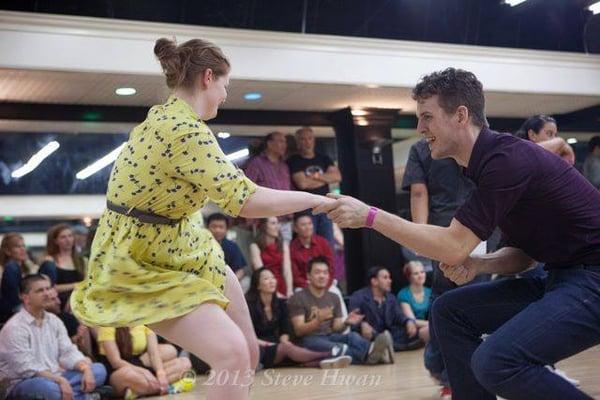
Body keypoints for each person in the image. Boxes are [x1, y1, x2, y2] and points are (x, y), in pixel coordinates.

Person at [71, 37, 333, 400]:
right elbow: (245, 200)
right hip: (142, 258)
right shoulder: (183, 129)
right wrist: (315, 200)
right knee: (233, 354)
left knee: (248, 351)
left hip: (183, 245)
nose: (226, 95)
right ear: (209, 77)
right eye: (226, 85)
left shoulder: (165, 116)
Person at [315, 67, 600, 400]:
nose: (420, 128)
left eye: (427, 118)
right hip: (561, 277)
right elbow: (522, 257)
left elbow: (452, 247)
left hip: (592, 280)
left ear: (461, 115)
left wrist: (370, 216)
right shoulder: (488, 165)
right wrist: (479, 265)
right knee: (449, 310)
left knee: (497, 361)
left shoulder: (505, 161)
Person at [0, 274, 107, 400]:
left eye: (48, 288)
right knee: (46, 388)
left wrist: (86, 369)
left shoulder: (54, 320)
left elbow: (68, 352)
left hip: (56, 377)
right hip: (23, 383)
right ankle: (85, 397)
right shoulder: (14, 327)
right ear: (25, 298)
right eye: (40, 290)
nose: (47, 293)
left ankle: (73, 395)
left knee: (99, 370)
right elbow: (27, 369)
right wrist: (60, 381)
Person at [288, 257, 393, 365]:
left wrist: (346, 322)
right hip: (308, 340)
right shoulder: (298, 297)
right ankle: (376, 356)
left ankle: (372, 353)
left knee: (353, 337)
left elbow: (336, 328)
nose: (322, 276)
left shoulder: (334, 297)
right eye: (317, 272)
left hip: (329, 336)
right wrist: (318, 320)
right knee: (339, 348)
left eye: (325, 273)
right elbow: (299, 331)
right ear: (308, 276)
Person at [246, 268, 351, 369]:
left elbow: (285, 329)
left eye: (273, 278)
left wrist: (284, 341)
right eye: (266, 279)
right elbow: (247, 335)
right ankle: (329, 354)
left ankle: (321, 362)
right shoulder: (249, 306)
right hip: (259, 346)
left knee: (290, 347)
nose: (271, 281)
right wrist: (269, 344)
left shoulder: (280, 303)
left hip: (278, 346)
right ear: (258, 285)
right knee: (287, 349)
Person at [96, 325, 192, 398]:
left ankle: (141, 390)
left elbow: (153, 353)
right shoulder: (107, 326)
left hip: (142, 366)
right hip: (120, 371)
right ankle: (170, 388)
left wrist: (160, 373)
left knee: (185, 362)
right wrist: (144, 372)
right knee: (128, 374)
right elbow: (116, 362)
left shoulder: (143, 324)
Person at [287, 127, 341, 246]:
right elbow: (303, 184)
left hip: (326, 206)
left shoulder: (324, 158)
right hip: (306, 208)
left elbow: (337, 177)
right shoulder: (294, 160)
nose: (307, 142)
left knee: (328, 243)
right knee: (310, 244)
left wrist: (314, 176)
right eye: (303, 139)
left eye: (310, 138)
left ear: (314, 140)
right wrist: (325, 178)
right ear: (298, 142)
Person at [349, 266, 422, 351]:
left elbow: (399, 315)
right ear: (374, 281)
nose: (389, 281)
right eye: (385, 278)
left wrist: (408, 321)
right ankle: (384, 347)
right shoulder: (358, 297)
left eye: (389, 278)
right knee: (356, 338)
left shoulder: (391, 298)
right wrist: (362, 324)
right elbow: (353, 319)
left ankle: (388, 346)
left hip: (389, 334)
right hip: (369, 336)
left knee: (413, 333)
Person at [244, 131, 294, 242]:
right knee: (265, 255)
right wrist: (250, 219)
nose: (284, 145)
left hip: (285, 218)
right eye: (281, 141)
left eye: (285, 142)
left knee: (285, 254)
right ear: (269, 144)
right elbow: (246, 190)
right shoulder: (256, 163)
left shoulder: (284, 165)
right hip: (264, 221)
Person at [40, 223, 87, 310]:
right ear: (56, 241)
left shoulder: (82, 261)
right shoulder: (49, 261)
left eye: (70, 236)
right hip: (57, 304)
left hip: (79, 303)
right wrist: (76, 285)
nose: (68, 240)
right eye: (63, 237)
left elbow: (87, 284)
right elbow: (49, 288)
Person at [249, 217, 293, 298]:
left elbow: (287, 270)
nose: (277, 226)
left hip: (280, 283)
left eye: (277, 223)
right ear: (264, 226)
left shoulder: (283, 245)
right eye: (273, 223)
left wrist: (289, 290)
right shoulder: (255, 246)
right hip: (264, 285)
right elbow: (261, 273)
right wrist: (276, 294)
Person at [45, 286, 94, 358]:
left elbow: (84, 353)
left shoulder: (67, 319)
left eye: (57, 298)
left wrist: (79, 340)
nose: (59, 302)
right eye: (53, 300)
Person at [289, 212, 334, 290]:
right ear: (295, 228)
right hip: (303, 287)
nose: (308, 227)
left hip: (325, 283)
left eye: (310, 224)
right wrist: (311, 287)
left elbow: (331, 267)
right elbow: (295, 275)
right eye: (303, 225)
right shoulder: (292, 248)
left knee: (336, 295)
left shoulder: (322, 242)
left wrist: (325, 285)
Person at [0, 233, 38, 323]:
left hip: (28, 302)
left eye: (23, 246)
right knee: (12, 266)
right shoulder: (7, 268)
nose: (22, 249)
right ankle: (21, 309)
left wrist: (28, 263)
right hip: (10, 307)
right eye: (17, 247)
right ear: (7, 251)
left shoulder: (30, 267)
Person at [206, 213, 247, 282]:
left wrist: (230, 283)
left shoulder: (232, 246)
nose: (217, 230)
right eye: (214, 226)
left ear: (226, 229)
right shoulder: (200, 245)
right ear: (207, 228)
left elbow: (240, 270)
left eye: (221, 227)